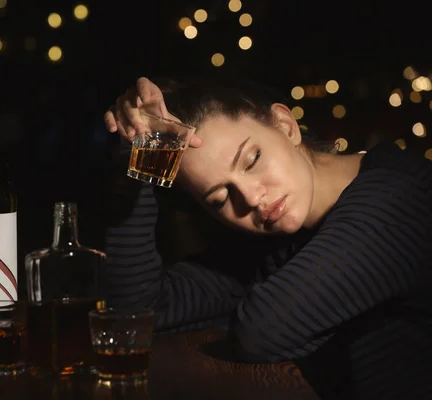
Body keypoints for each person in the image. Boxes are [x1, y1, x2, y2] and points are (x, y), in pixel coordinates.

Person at [102, 76, 432, 399]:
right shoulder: (273, 246)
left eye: (252, 159)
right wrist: (138, 158)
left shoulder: (399, 199)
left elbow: (263, 331)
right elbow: (137, 311)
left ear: (286, 125)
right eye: (220, 199)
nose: (249, 197)